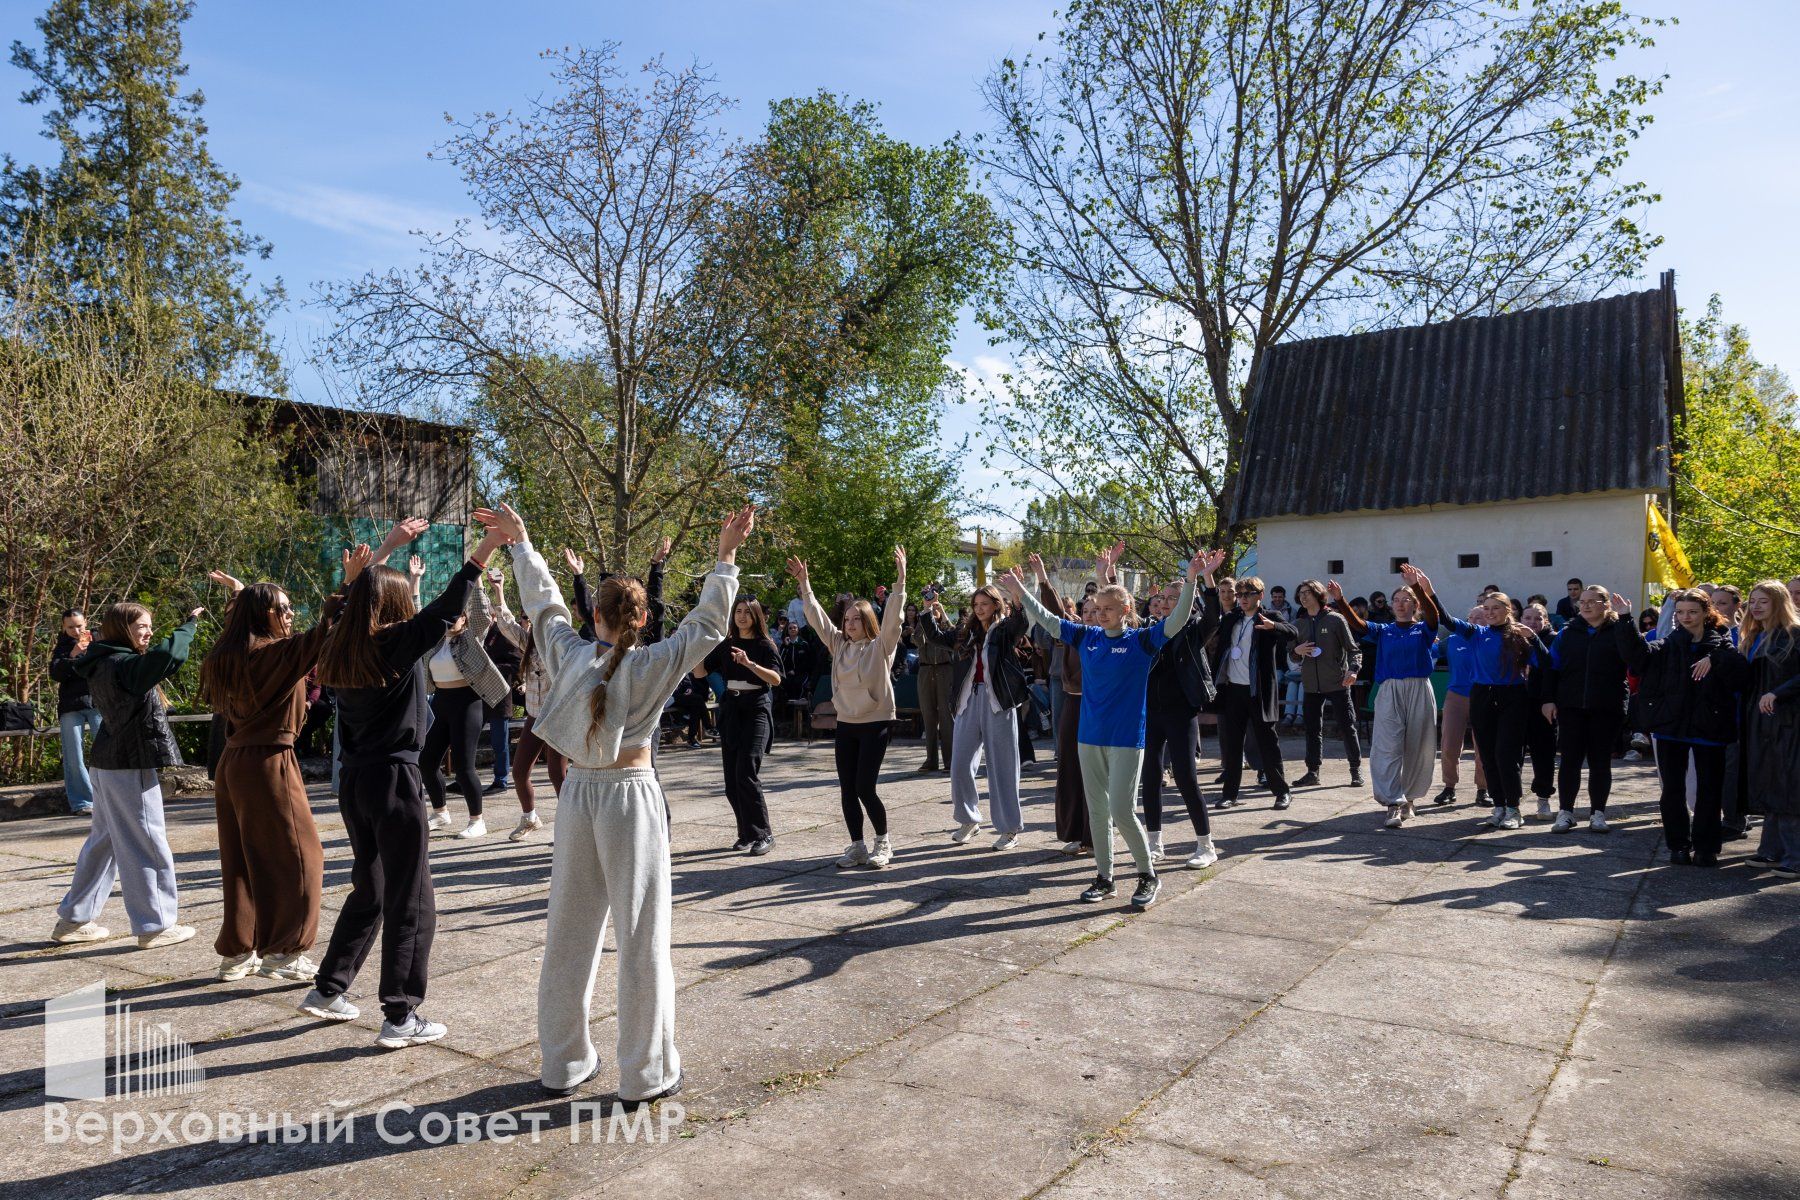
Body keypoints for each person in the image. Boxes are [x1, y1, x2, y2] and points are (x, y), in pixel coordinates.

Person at [496, 502, 751, 1105]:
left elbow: (544, 606)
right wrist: (725, 557)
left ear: (597, 615)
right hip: (629, 797)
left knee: (568, 931)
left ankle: (562, 1062)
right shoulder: (652, 663)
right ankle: (645, 1073)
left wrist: (522, 544)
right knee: (642, 935)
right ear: (641, 618)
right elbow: (706, 625)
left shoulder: (569, 652)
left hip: (578, 794)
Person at [303, 516, 497, 1046]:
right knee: (413, 899)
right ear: (393, 605)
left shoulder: (341, 644)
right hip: (393, 780)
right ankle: (400, 1014)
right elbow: (449, 604)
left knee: (373, 887)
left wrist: (385, 549)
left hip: (355, 783)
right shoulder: (393, 643)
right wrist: (486, 548)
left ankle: (328, 989)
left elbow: (346, 604)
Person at [197, 536, 388, 984]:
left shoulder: (227, 655)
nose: (289, 615)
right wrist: (348, 584)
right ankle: (285, 951)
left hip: (233, 762)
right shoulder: (275, 653)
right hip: (269, 762)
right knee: (302, 857)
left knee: (242, 860)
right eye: (282, 609)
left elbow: (260, 628)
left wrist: (242, 592)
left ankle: (238, 951)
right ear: (265, 614)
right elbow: (326, 630)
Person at [1005, 544, 1219, 909]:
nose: (1101, 614)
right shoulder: (1086, 637)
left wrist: (1191, 580)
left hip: (1126, 739)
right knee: (1098, 811)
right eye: (1097, 608)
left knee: (1121, 809)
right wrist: (1021, 592)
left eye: (1108, 609)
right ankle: (1105, 877)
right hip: (1089, 738)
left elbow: (1179, 619)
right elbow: (1048, 619)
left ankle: (1147, 875)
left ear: (1126, 610)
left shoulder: (1142, 641)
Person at [50, 599, 205, 950]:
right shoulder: (124, 664)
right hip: (128, 765)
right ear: (123, 630)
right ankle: (155, 925)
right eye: (141, 627)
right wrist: (188, 625)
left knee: (104, 842)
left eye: (149, 626)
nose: (148, 633)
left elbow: (159, 656)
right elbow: (169, 656)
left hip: (107, 764)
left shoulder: (100, 659)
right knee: (146, 841)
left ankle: (74, 919)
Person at [789, 547, 907, 869]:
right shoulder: (839, 643)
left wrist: (900, 582)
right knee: (847, 789)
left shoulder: (881, 646)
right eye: (847, 619)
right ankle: (857, 847)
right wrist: (805, 584)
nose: (850, 623)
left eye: (857, 619)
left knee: (865, 787)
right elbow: (817, 619)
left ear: (868, 621)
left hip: (875, 722)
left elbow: (893, 621)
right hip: (847, 723)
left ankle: (883, 843)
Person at [1615, 588, 1747, 866]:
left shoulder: (1721, 643)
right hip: (1670, 727)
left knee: (1709, 790)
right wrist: (1626, 619)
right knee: (1672, 790)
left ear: (1706, 613)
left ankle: (1706, 848)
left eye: (1692, 612)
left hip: (1709, 727)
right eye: (1680, 612)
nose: (1686, 617)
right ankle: (1678, 845)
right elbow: (1637, 656)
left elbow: (1741, 674)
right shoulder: (1667, 644)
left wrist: (1715, 659)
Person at [1328, 566, 1441, 827]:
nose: (1400, 604)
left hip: (1419, 688)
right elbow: (1357, 624)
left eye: (1406, 600)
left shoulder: (1424, 629)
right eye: (1396, 600)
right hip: (1389, 689)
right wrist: (1340, 600)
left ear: (1415, 605)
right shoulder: (1384, 630)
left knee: (1418, 747)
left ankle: (1409, 798)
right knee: (1387, 746)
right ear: (1391, 605)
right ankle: (1393, 802)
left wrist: (1417, 587)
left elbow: (1434, 615)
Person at [1425, 586, 1540, 830]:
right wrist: (1428, 592)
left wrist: (1533, 638)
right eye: (1486, 608)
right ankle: (1499, 806)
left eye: (1495, 608)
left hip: (1512, 696)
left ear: (1508, 610)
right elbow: (1446, 619)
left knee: (1506, 755)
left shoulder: (1519, 635)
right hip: (1481, 695)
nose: (1489, 613)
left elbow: (1545, 661)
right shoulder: (1476, 633)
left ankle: (1513, 808)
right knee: (1487, 755)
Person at [924, 585, 1031, 849]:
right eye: (976, 604)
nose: (979, 608)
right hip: (968, 700)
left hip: (998, 702)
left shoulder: (1004, 630)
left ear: (996, 604)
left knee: (1003, 767)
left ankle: (1009, 829)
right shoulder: (965, 632)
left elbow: (1021, 624)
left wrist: (1017, 596)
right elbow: (936, 637)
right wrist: (928, 608)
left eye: (984, 603)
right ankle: (969, 820)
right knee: (959, 764)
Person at [1138, 564, 1224, 867]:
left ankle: (1205, 845)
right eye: (1162, 597)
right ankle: (1154, 843)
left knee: (1186, 777)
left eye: (1173, 598)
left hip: (1181, 712)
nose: (1165, 602)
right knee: (1150, 777)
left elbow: (1214, 616)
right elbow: (1124, 616)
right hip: (1151, 713)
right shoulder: (1149, 629)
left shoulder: (1192, 629)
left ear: (1186, 601)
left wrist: (1206, 577)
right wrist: (1107, 574)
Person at [1535, 585, 1631, 834]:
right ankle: (1565, 812)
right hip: (1571, 706)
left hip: (1606, 708)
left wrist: (1626, 621)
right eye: (1582, 602)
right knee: (1569, 761)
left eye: (1592, 601)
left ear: (1606, 604)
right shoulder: (1567, 633)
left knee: (1600, 762)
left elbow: (1636, 658)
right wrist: (1548, 699)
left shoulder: (1618, 631)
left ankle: (1598, 813)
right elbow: (1552, 668)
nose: (1585, 605)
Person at [421, 583, 512, 839]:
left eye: (457, 616)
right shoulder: (435, 642)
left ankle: (477, 820)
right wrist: (416, 582)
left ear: (464, 619)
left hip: (467, 703)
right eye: (448, 616)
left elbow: (481, 612)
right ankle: (440, 812)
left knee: (464, 767)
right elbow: (418, 616)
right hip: (440, 702)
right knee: (426, 762)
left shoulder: (471, 638)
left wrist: (478, 580)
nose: (452, 621)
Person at [1208, 574, 1298, 811]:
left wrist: (1273, 627)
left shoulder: (1270, 616)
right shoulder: (1232, 618)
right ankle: (1229, 794)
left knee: (1267, 742)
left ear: (1260, 595)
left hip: (1258, 691)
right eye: (1240, 595)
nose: (1242, 599)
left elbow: (1292, 632)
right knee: (1232, 745)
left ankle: (1282, 792)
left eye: (1248, 594)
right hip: (1233, 690)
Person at [701, 597, 782, 855]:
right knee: (731, 782)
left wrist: (749, 663)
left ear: (756, 615)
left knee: (746, 772)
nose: (742, 616)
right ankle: (746, 833)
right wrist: (696, 647)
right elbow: (700, 672)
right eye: (738, 611)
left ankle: (764, 834)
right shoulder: (726, 645)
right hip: (732, 709)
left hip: (756, 709)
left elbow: (776, 679)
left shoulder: (765, 645)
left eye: (747, 612)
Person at [1740, 581, 1800, 875]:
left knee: (1788, 787)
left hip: (1790, 720)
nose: (1756, 606)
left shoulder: (1794, 634)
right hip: (1762, 721)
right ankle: (1771, 851)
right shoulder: (1755, 636)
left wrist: (1778, 693)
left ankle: (1795, 858)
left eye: (1763, 601)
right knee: (1770, 783)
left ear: (1779, 602)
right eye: (1753, 601)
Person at [490, 590, 557, 841]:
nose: (529, 622)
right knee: (519, 771)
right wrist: (499, 592)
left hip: (556, 718)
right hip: (535, 715)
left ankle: (571, 827)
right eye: (528, 618)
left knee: (558, 774)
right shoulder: (528, 642)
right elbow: (507, 624)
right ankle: (530, 817)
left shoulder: (561, 647)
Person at [1289, 580, 1363, 788]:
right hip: (1311, 685)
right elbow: (1292, 655)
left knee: (1347, 727)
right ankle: (1312, 772)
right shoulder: (1298, 624)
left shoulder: (1335, 619)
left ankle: (1355, 770)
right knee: (1312, 729)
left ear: (1318, 594)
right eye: (1300, 593)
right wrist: (1297, 651)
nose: (1303, 596)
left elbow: (1354, 649)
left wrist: (1353, 670)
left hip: (1337, 682)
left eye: (1307, 592)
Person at [1044, 586, 1093, 856]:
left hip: (1098, 708)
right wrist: (1042, 580)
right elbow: (1054, 613)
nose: (1090, 616)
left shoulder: (1109, 637)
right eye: (1085, 612)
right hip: (1073, 704)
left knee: (1095, 774)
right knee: (1070, 768)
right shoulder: (1076, 633)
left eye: (1095, 611)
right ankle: (1075, 833)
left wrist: (1107, 576)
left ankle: (1094, 837)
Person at [1434, 606, 1490, 807]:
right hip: (1456, 695)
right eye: (1470, 617)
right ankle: (1449, 787)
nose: (1473, 621)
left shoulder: (1489, 639)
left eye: (1479, 618)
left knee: (1482, 746)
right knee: (1449, 743)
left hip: (1483, 695)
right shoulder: (1453, 640)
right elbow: (1431, 650)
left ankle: (1483, 789)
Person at [48, 609, 100, 815]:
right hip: (70, 705)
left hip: (97, 702)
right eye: (70, 627)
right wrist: (73, 654)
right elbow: (55, 674)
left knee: (106, 751)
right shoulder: (62, 646)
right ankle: (82, 802)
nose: (76, 631)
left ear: (85, 622)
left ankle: (108, 799)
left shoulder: (98, 639)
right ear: (63, 627)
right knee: (73, 756)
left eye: (79, 626)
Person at [482, 568, 523, 795]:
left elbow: (517, 664)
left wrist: (492, 669)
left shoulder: (503, 634)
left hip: (499, 695)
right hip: (476, 697)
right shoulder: (474, 634)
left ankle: (501, 779)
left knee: (500, 741)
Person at [1520, 603, 1559, 819]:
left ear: (1546, 620)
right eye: (1528, 618)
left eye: (1537, 618)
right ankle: (1510, 801)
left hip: (1542, 705)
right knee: (1512, 754)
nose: (1532, 622)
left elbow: (1551, 668)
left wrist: (1549, 700)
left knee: (1543, 754)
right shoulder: (1513, 638)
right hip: (1516, 703)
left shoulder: (1553, 639)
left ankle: (1543, 799)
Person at [912, 593, 955, 773]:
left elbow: (955, 637)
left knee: (946, 716)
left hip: (945, 670)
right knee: (928, 716)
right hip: (925, 670)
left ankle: (950, 760)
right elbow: (917, 640)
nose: (934, 610)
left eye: (936, 606)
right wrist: (925, 612)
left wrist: (942, 613)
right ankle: (931, 760)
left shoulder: (945, 627)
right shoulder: (923, 623)